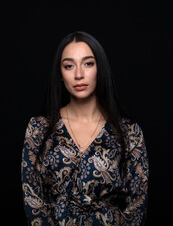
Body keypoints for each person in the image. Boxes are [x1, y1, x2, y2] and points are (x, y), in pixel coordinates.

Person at [21, 31, 149, 225]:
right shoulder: (39, 129)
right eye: (69, 66)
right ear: (60, 74)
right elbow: (33, 200)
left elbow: (137, 205)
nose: (79, 74)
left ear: (100, 68)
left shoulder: (129, 132)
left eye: (88, 63)